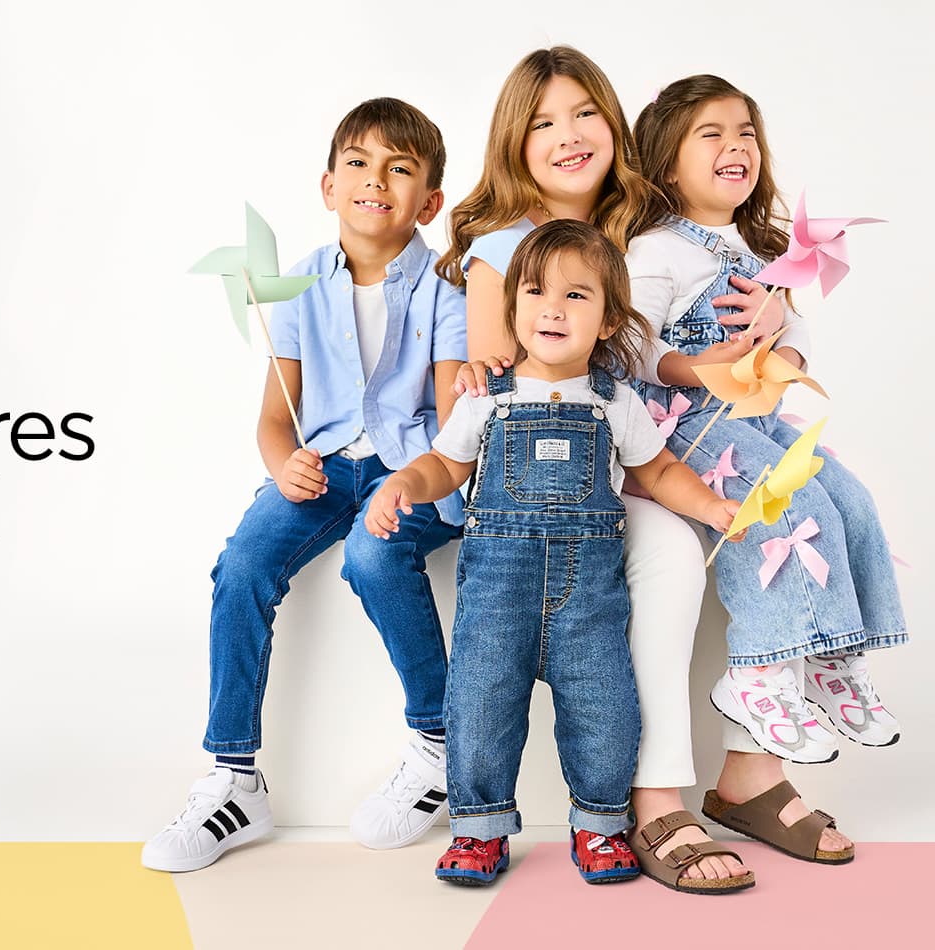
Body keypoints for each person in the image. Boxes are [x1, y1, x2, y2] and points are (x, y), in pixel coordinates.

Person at [438, 46, 753, 893]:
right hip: (513, 525)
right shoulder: (503, 251)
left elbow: (655, 426)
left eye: (584, 114)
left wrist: (769, 318)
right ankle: (482, 815)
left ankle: (632, 807)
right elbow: (473, 407)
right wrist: (416, 481)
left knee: (606, 689)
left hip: (613, 491)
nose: (570, 135)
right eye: (543, 122)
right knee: (484, 697)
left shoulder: (651, 231)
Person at [368, 219, 746, 886]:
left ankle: (600, 825)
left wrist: (712, 507)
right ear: (512, 309)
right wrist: (405, 483)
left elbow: (656, 473)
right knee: (479, 707)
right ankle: (479, 829)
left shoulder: (616, 401)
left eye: (577, 295)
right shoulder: (487, 396)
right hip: (496, 600)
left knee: (607, 712)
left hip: (589, 605)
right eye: (537, 291)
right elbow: (446, 465)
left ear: (606, 321)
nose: (552, 307)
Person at [142, 98, 466, 872]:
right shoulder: (292, 286)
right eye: (357, 162)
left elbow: (456, 427)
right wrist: (280, 463)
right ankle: (233, 779)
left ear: (429, 200)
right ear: (328, 185)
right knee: (243, 567)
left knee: (372, 557)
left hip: (414, 469)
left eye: (399, 167)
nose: (374, 180)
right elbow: (272, 421)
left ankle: (441, 740)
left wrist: (412, 485)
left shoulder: (447, 295)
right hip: (322, 469)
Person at [625, 74, 907, 863]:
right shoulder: (656, 250)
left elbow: (798, 338)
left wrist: (782, 340)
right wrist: (694, 367)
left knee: (847, 503)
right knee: (780, 521)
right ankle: (757, 677)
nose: (735, 146)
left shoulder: (763, 252)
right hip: (686, 428)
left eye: (745, 131)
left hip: (754, 417)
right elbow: (631, 344)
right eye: (709, 134)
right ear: (666, 163)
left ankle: (835, 660)